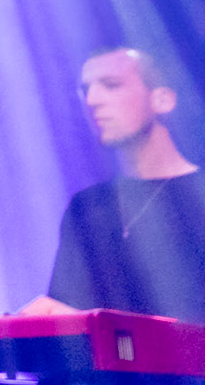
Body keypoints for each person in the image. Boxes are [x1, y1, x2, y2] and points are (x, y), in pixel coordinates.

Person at [19, 47, 205, 323]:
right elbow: (68, 326)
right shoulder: (86, 207)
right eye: (86, 89)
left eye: (111, 85)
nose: (92, 100)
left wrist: (108, 329)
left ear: (162, 99)